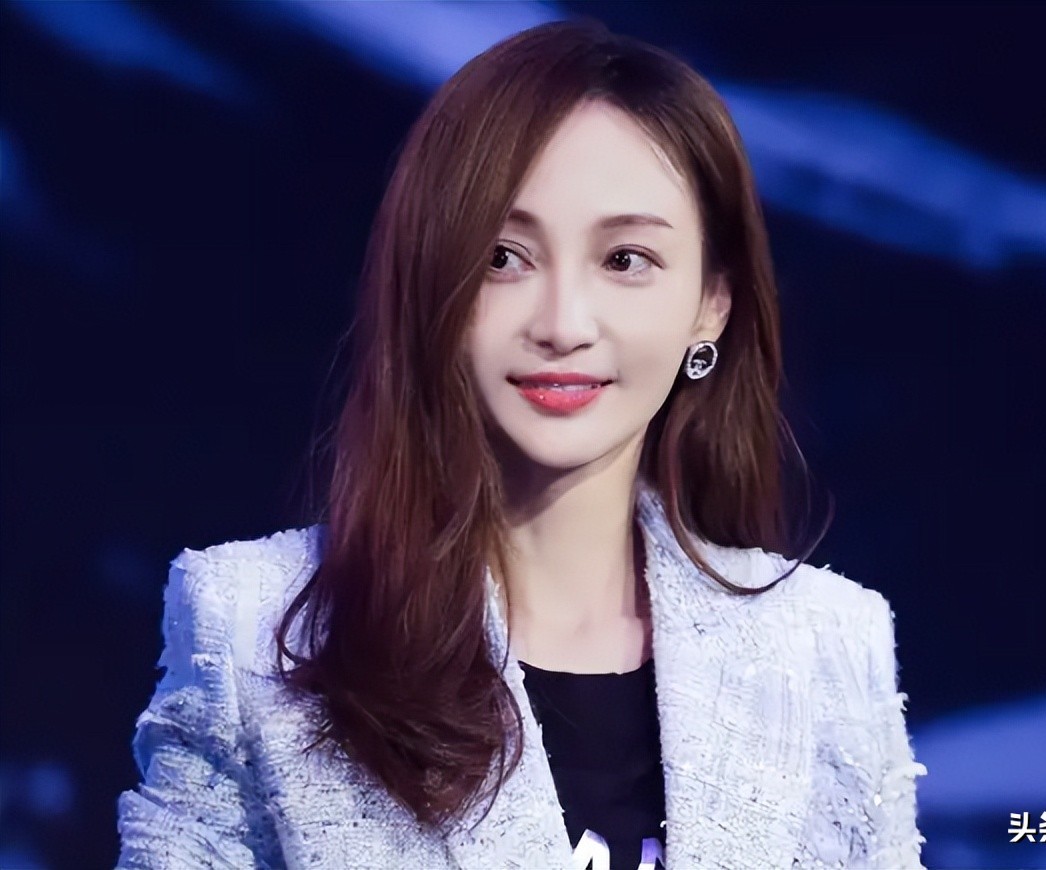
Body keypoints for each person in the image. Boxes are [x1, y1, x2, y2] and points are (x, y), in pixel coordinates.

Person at [116, 18, 926, 870]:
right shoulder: (254, 629)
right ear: (432, 282)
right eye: (504, 257)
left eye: (626, 260)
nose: (563, 324)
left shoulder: (829, 648)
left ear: (711, 305)